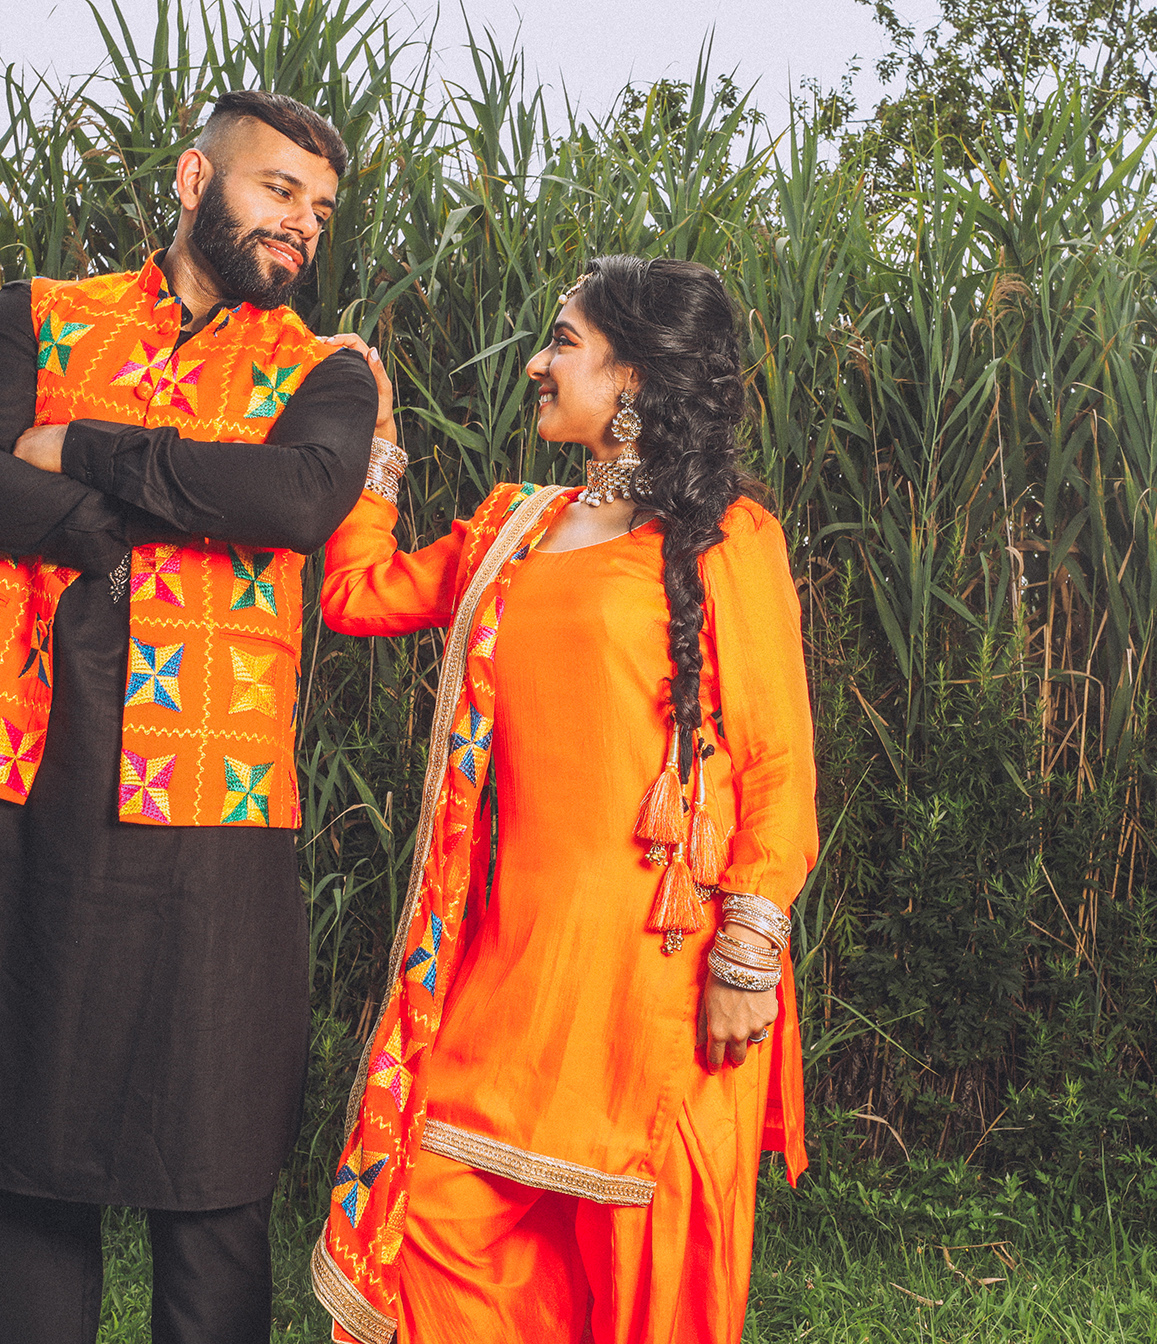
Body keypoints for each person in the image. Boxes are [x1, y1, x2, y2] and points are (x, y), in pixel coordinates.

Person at [0, 91, 381, 1344]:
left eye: (319, 209)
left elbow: (297, 501)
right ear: (197, 180)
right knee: (18, 1136)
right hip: (28, 766)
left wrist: (82, 450)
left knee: (209, 1155)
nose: (301, 224)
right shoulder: (41, 314)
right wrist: (115, 535)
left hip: (216, 794)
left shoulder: (326, 370)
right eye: (277, 191)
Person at [308, 255, 817, 1343]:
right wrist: (374, 445)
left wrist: (748, 956)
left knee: (644, 1285)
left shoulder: (728, 536)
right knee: (434, 1225)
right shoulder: (513, 528)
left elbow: (777, 764)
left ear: (633, 376)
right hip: (512, 965)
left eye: (564, 342)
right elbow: (355, 596)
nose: (536, 364)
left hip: (662, 981)